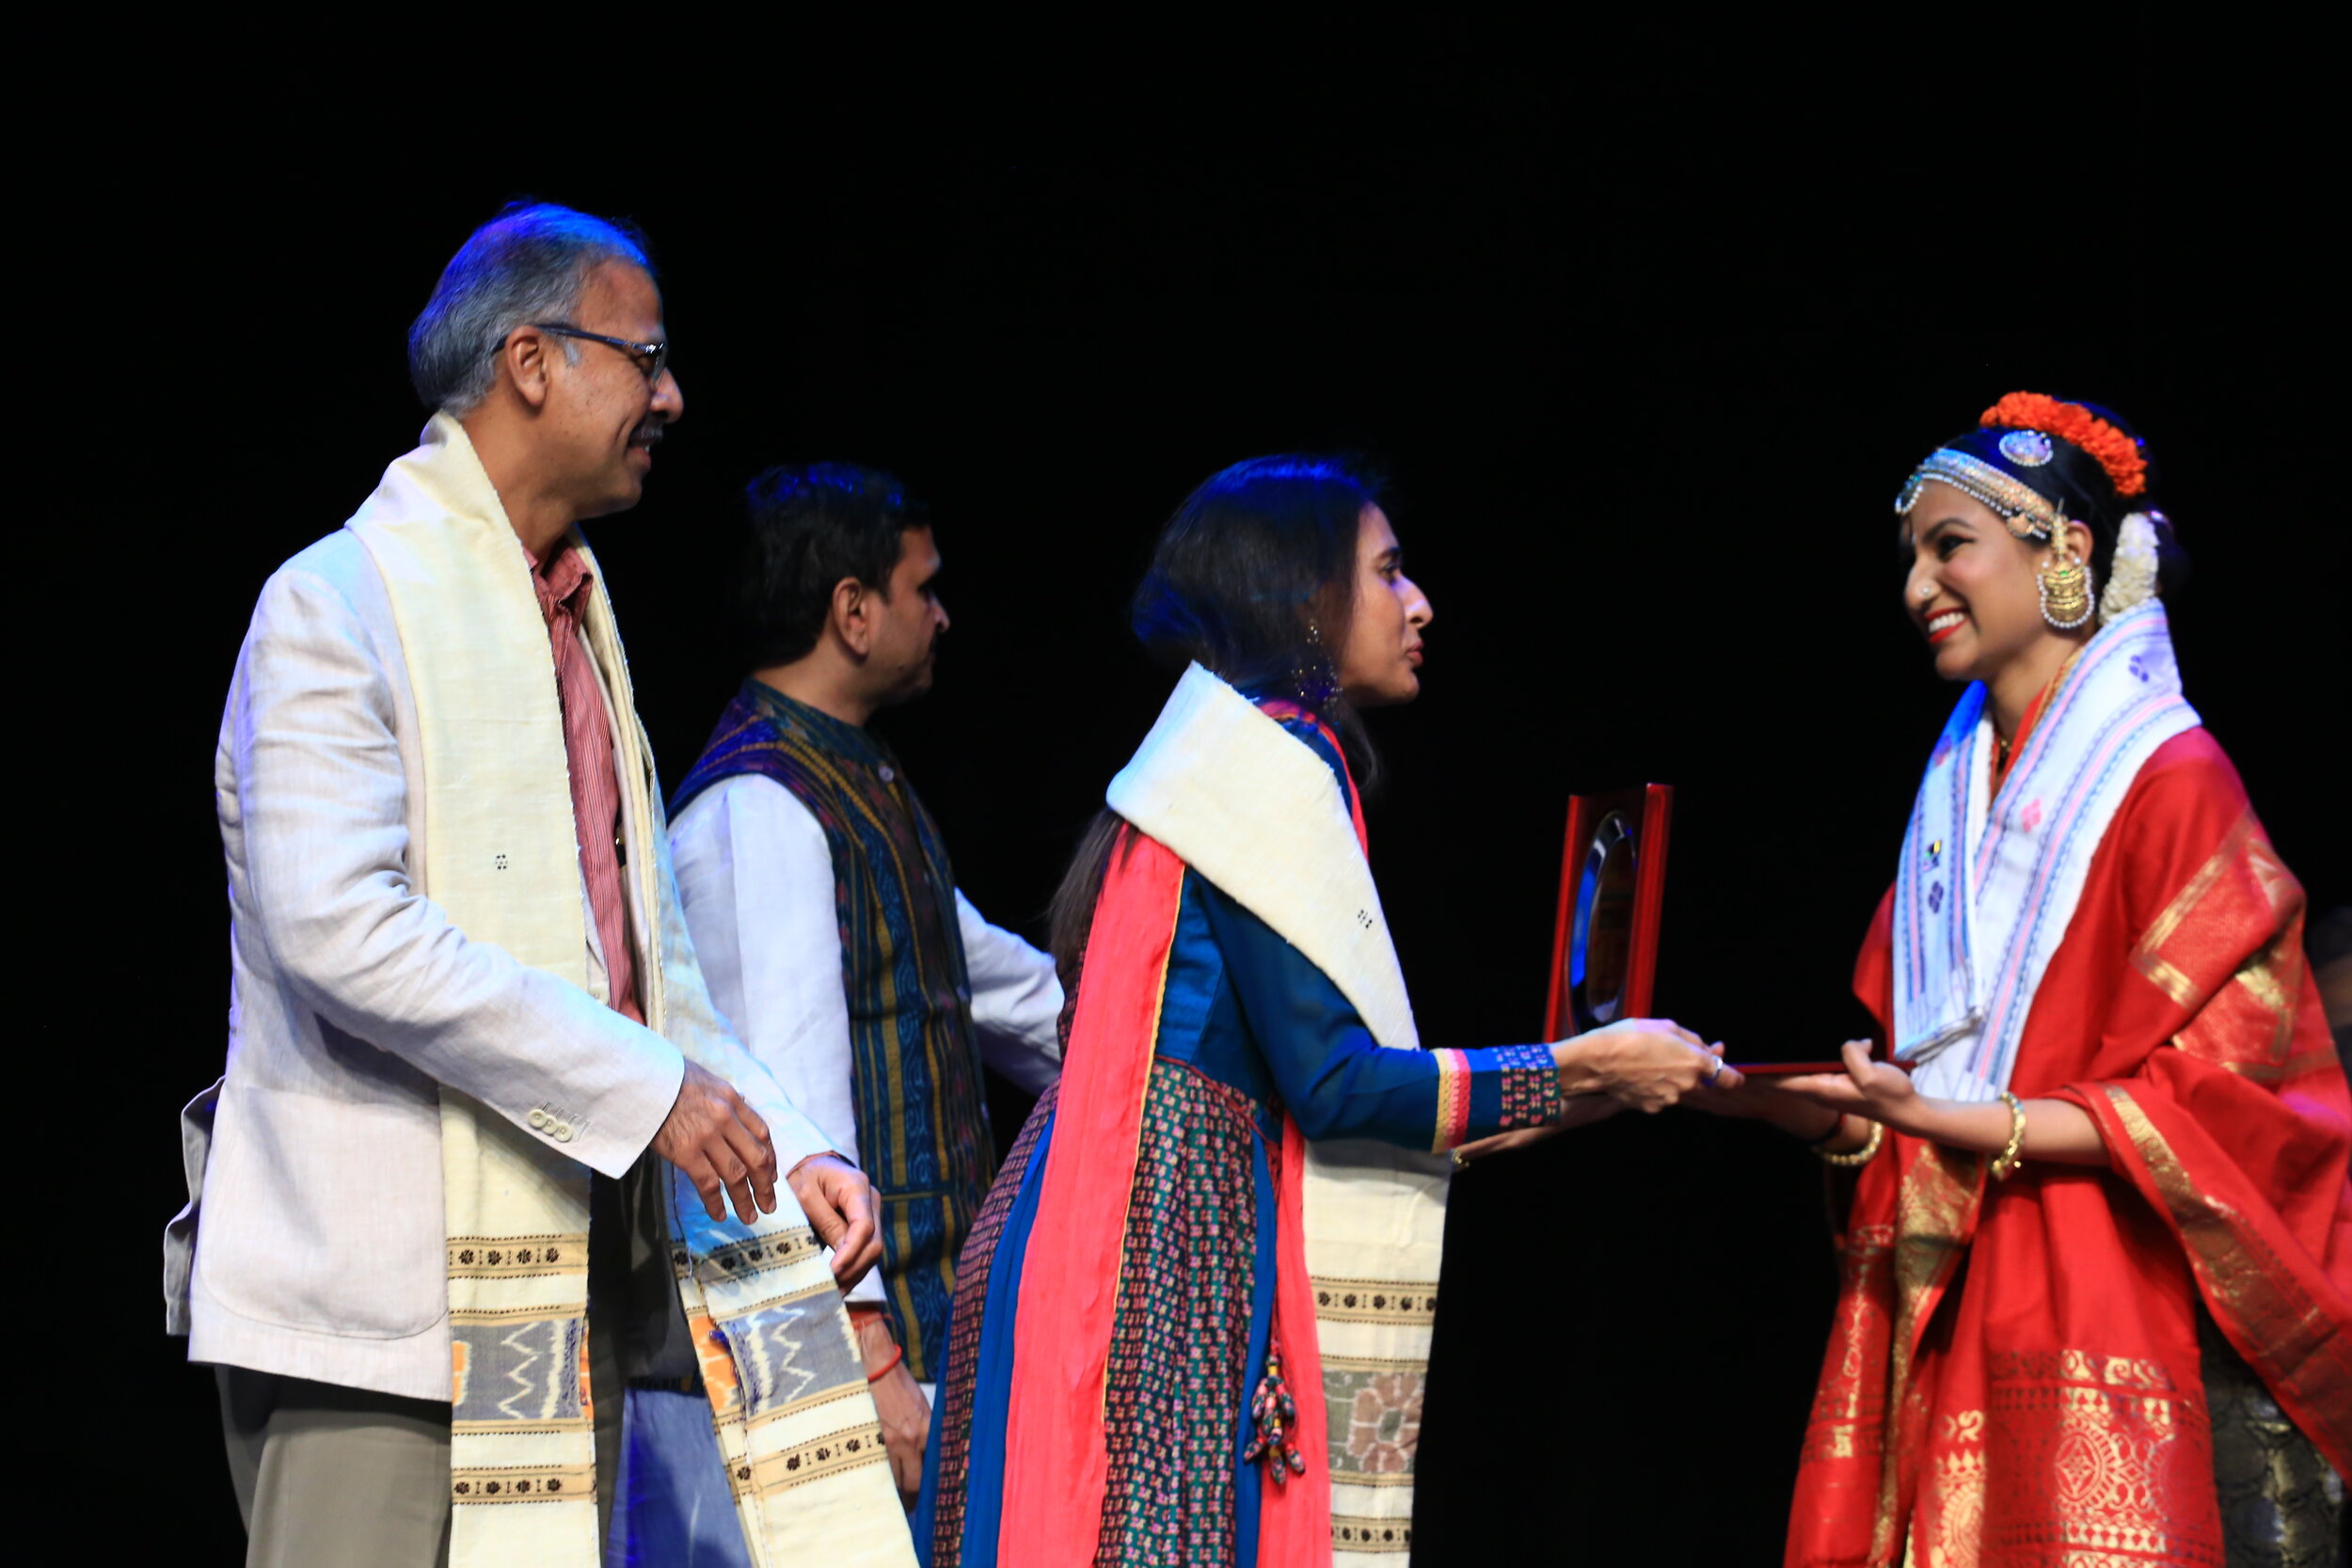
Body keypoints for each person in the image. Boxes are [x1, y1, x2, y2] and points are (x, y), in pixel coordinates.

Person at [164, 202, 914, 1568]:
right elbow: (340, 926)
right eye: (646, 358)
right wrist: (653, 1092)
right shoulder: (336, 601)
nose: (670, 397)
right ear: (532, 363)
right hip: (382, 1316)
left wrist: (786, 1136)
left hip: (561, 1302)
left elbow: (644, 965)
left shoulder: (571, 619)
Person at [915, 456, 1735, 1568]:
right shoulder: (1270, 761)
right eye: (1388, 572)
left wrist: (1597, 1083)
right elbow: (1338, 1084)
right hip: (1165, 1265)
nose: (1418, 603)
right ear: (1302, 596)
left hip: (1097, 1229)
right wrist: (1583, 1067)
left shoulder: (1211, 751)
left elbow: (1327, 1092)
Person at [1700, 393, 2350, 1565]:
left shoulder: (2170, 776)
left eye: (1950, 547)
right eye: (1912, 555)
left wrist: (1945, 1116)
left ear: (2066, 552)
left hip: (2109, 1272)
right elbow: (1901, 1083)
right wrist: (1800, 1109)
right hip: (1939, 1274)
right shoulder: (1951, 788)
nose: (1916, 586)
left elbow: (2220, 1101)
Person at [621, 464, 1060, 1543]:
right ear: (852, 612)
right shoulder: (756, 806)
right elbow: (786, 1119)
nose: (942, 612)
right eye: (923, 587)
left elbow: (995, 989)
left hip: (936, 1336)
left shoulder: (864, 788)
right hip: (852, 1365)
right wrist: (868, 1356)